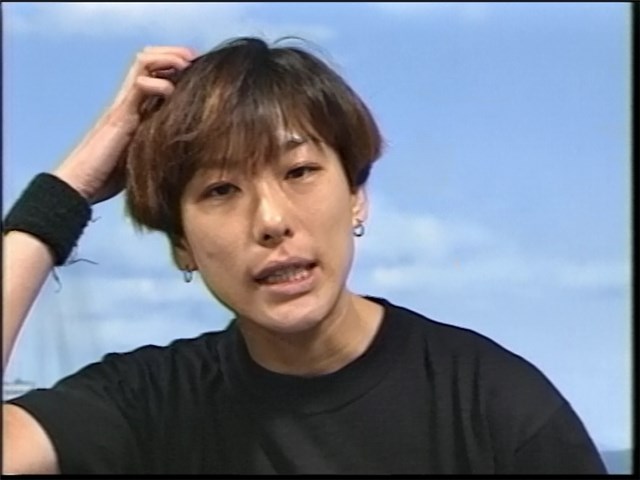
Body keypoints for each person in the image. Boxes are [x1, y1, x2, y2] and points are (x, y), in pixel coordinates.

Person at [2, 36, 607, 475]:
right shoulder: (150, 405)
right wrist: (69, 189)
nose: (271, 221)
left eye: (299, 172)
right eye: (221, 190)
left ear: (356, 195)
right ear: (182, 244)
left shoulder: (493, 406)